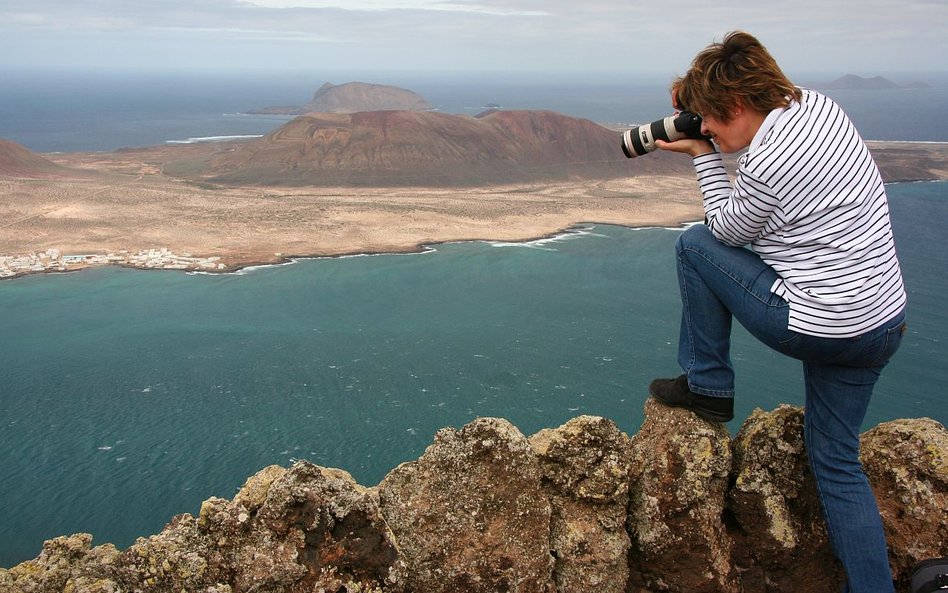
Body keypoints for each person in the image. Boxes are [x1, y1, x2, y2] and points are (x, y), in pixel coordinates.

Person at [648, 31, 907, 593]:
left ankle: (708, 385)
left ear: (738, 105)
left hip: (820, 326)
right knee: (837, 463)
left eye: (712, 118)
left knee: (693, 244)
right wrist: (702, 116)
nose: (708, 128)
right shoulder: (820, 106)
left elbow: (726, 231)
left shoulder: (767, 160)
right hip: (881, 322)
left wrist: (703, 157)